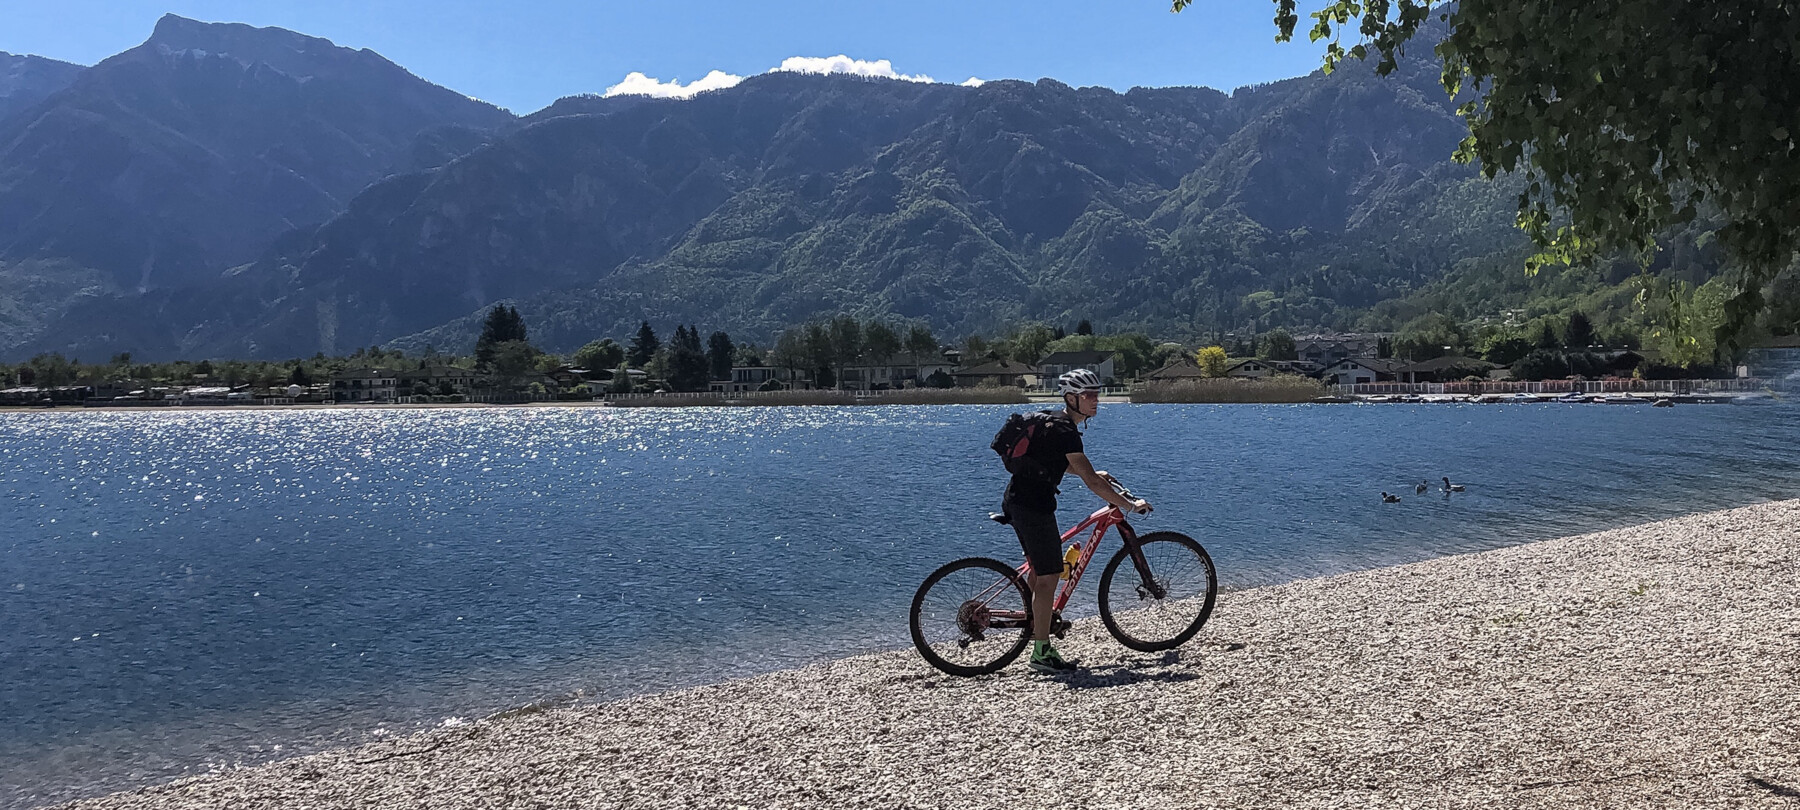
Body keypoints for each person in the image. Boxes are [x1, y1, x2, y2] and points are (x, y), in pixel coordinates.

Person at [1002, 368, 1151, 673]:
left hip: (1019, 500)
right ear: (1072, 398)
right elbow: (1091, 482)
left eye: (1097, 394)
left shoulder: (1056, 421)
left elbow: (1056, 463)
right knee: (1049, 577)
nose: (1095, 400)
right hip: (1033, 507)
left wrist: (1093, 474)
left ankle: (1036, 626)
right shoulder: (1066, 431)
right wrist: (1128, 505)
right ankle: (1041, 652)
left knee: (1039, 572)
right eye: (1088, 395)